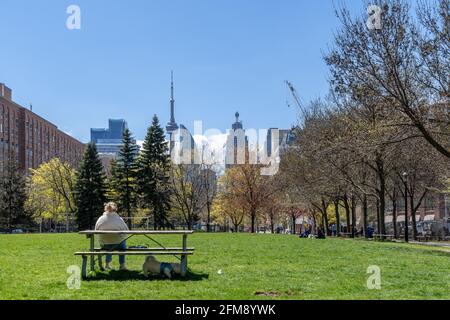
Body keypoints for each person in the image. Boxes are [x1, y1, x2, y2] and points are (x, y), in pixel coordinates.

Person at [95, 202, 129, 270]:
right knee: (122, 243)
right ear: (115, 209)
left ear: (105, 209)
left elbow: (96, 230)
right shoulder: (119, 219)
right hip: (118, 243)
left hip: (104, 244)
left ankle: (107, 264)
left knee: (108, 245)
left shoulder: (101, 219)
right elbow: (126, 231)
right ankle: (122, 265)